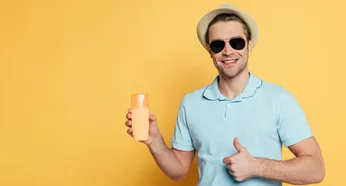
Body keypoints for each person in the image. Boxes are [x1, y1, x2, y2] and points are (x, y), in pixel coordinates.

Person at [124, 4, 325, 186]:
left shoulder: (278, 100)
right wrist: (155, 142)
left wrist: (257, 167)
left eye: (236, 42)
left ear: (250, 44)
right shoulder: (191, 103)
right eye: (218, 45)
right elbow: (178, 171)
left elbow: (316, 169)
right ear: (209, 51)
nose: (228, 51)